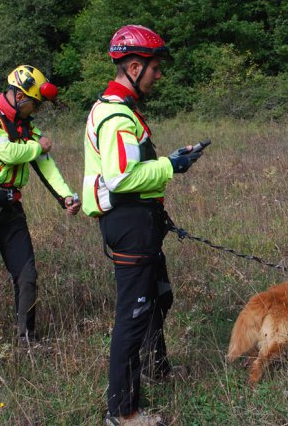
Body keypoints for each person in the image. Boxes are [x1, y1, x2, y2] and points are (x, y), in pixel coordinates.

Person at [82, 25, 205, 426]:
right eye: (154, 68)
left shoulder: (123, 109)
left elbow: (131, 166)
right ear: (134, 66)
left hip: (141, 221)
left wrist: (168, 159)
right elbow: (120, 178)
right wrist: (172, 165)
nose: (158, 75)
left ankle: (157, 368)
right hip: (129, 223)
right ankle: (123, 412)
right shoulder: (117, 114)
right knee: (133, 315)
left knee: (158, 298)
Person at [0, 65, 81, 346]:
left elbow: (46, 166)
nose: (34, 109)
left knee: (27, 275)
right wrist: (39, 147)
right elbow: (8, 152)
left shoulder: (29, 128)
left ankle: (27, 340)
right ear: (17, 93)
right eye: (33, 103)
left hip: (11, 207)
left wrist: (66, 197)